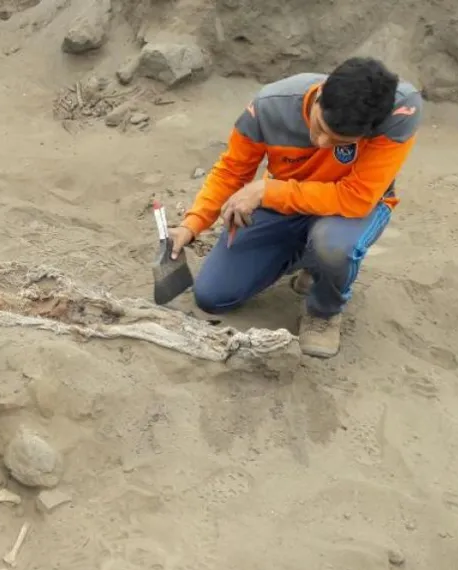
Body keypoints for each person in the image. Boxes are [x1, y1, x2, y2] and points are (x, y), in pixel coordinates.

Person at [168, 57, 423, 358]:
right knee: (213, 295)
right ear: (320, 92)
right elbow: (232, 171)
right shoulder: (269, 107)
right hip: (287, 204)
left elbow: (356, 198)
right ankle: (311, 259)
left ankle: (325, 310)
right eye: (319, 127)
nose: (322, 142)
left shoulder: (400, 111)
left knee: (333, 246)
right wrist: (193, 223)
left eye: (339, 141)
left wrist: (268, 190)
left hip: (347, 210)